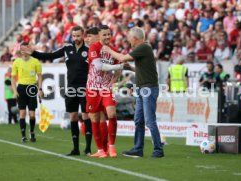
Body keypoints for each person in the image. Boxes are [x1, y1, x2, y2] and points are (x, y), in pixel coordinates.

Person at [21, 26, 92, 156]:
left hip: (85, 87)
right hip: (71, 87)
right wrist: (34, 53)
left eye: (78, 36)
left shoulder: (89, 50)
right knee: (73, 116)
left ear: (83, 36)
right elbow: (50, 55)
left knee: (86, 115)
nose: (76, 38)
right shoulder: (66, 49)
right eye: (74, 36)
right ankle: (75, 148)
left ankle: (87, 148)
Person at [102, 27, 164, 158]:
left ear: (135, 39)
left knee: (149, 120)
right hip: (142, 88)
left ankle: (158, 149)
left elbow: (123, 58)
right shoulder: (144, 49)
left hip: (148, 89)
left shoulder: (143, 47)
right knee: (139, 119)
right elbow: (145, 70)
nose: (128, 40)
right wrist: (131, 68)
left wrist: (108, 50)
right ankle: (138, 149)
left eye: (130, 38)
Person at [86, 25, 124, 158]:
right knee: (95, 118)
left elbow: (120, 70)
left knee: (112, 114)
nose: (107, 37)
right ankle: (100, 150)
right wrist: (118, 66)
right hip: (92, 88)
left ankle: (111, 147)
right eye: (104, 35)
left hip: (106, 89)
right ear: (99, 36)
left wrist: (112, 82)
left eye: (109, 34)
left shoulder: (113, 50)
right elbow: (99, 66)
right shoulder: (94, 47)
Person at [11, 42, 43, 143]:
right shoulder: (16, 62)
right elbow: (12, 78)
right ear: (20, 51)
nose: (24, 51)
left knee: (32, 114)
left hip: (32, 88)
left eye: (26, 49)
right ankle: (23, 135)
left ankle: (32, 132)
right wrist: (15, 91)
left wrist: (40, 89)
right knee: (22, 113)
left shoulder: (36, 62)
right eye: (22, 49)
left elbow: (40, 76)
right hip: (21, 88)